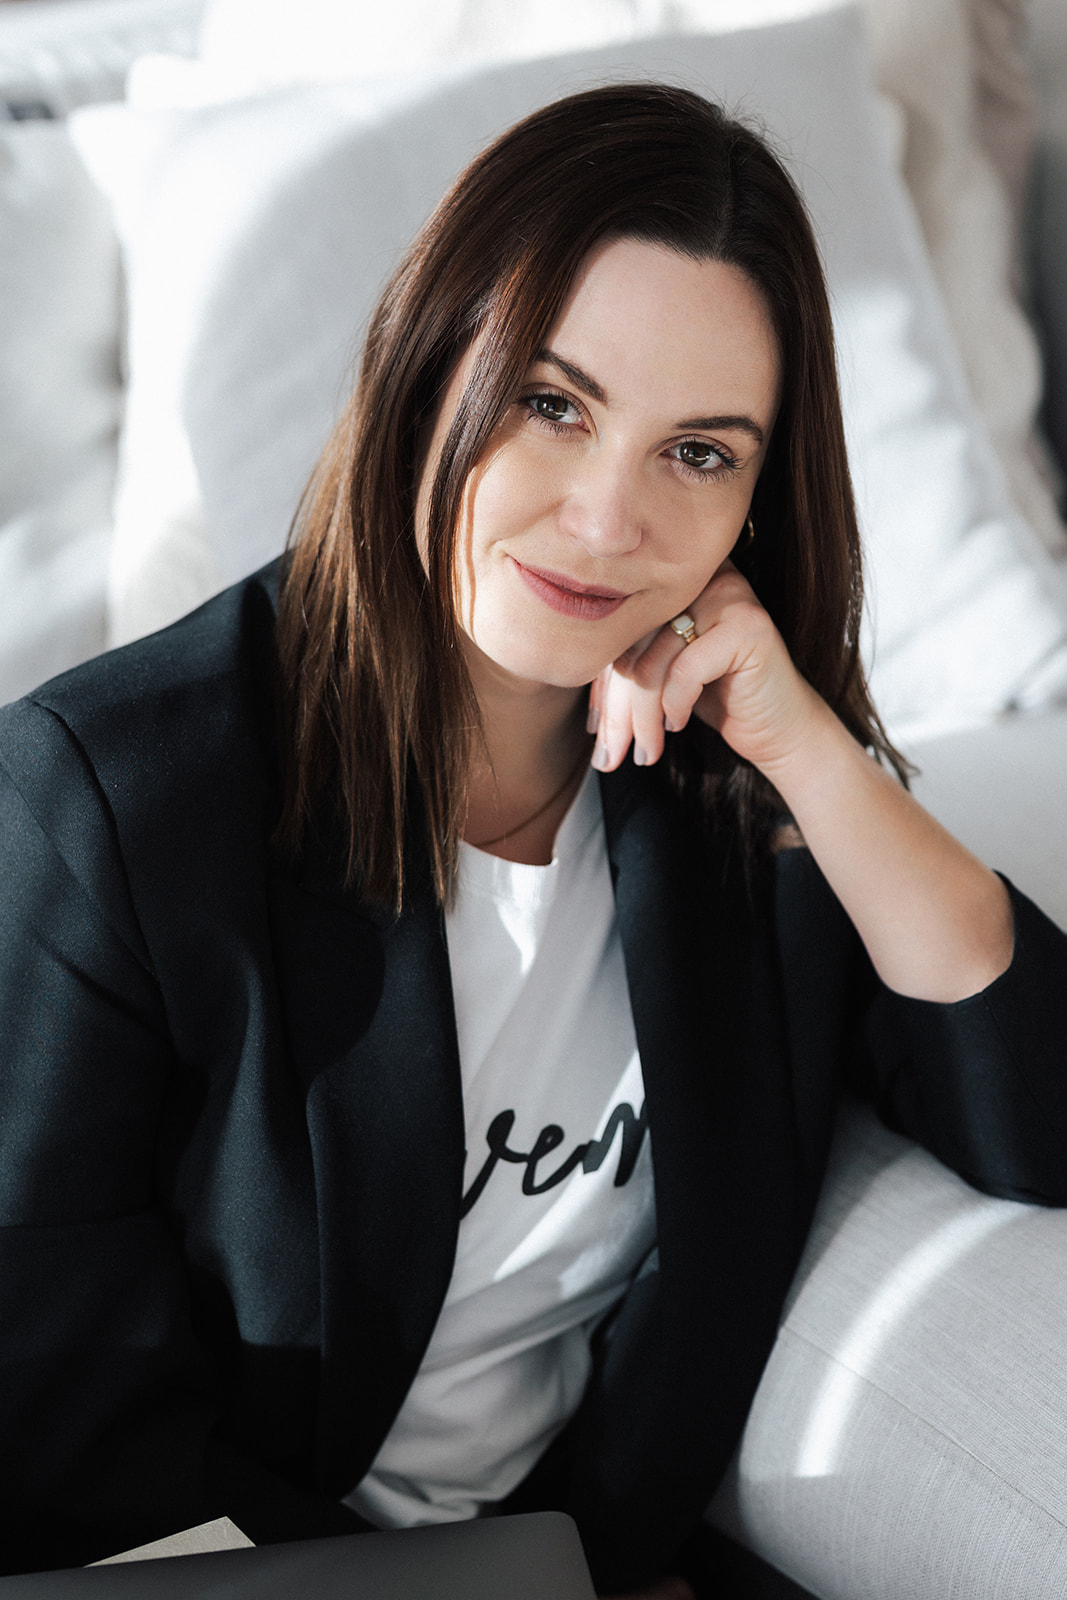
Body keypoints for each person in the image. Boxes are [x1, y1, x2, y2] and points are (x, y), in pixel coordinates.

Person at [1, 81, 1065, 1600]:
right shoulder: (104, 803)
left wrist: (813, 756)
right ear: (430, 364)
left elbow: (1039, 1123)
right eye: (554, 405)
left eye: (699, 453)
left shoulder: (734, 802)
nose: (607, 519)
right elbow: (73, 1447)